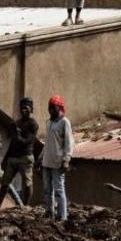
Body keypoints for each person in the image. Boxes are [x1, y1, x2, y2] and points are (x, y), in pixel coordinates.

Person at [0, 97, 39, 209]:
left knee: (27, 183)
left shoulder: (33, 124)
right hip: (13, 158)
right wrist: (5, 159)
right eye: (22, 108)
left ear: (31, 109)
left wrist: (17, 133)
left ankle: (25, 207)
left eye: (26, 107)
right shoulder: (17, 123)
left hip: (25, 157)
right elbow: (13, 143)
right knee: (5, 183)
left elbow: (27, 142)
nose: (24, 110)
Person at [42, 94, 74, 222]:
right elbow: (48, 142)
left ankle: (62, 216)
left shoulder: (64, 122)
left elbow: (69, 143)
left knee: (59, 190)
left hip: (58, 162)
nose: (51, 110)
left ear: (59, 108)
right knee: (47, 189)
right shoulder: (48, 121)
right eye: (50, 107)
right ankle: (49, 212)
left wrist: (66, 160)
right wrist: (41, 157)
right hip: (47, 161)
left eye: (53, 107)